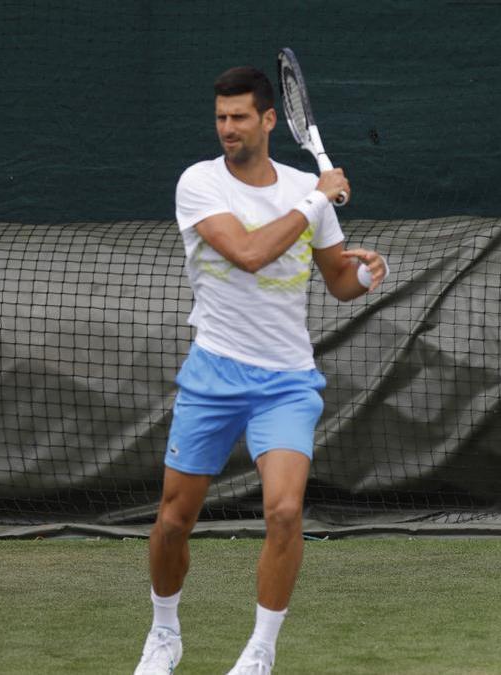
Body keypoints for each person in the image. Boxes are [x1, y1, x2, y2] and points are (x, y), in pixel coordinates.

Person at [133, 65, 388, 674]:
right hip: (214, 374)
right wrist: (316, 197)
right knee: (173, 520)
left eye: (240, 116)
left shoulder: (306, 189)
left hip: (286, 382)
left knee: (283, 511)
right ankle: (164, 634)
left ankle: (259, 652)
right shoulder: (200, 184)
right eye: (221, 117)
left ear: (270, 120)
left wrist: (368, 274)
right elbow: (248, 255)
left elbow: (336, 283)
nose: (228, 128)